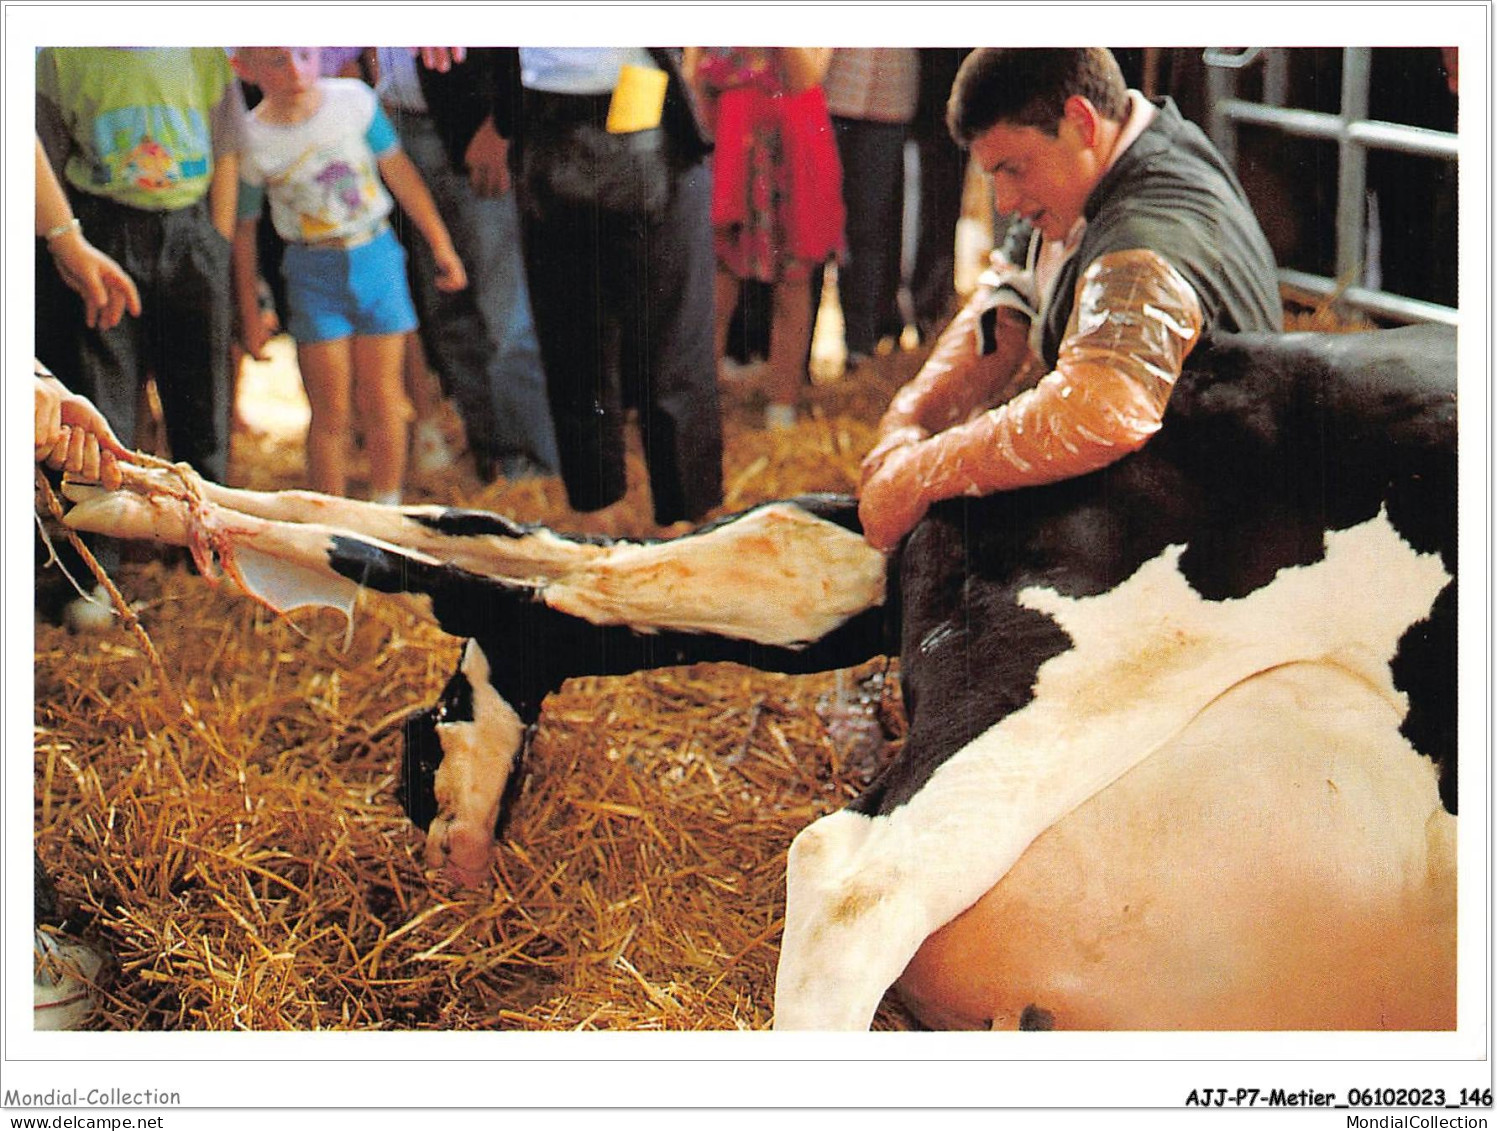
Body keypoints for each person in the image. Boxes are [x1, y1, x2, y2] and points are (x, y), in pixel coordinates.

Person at [857, 47, 1282, 552]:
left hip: (1215, 533)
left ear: (1081, 120)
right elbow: (1004, 306)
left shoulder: (1149, 228)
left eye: (1013, 169)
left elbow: (1100, 408)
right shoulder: (1088, 173)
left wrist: (919, 473)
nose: (1004, 202)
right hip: (1157, 498)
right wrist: (910, 421)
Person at [482, 47, 724, 528]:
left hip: (635, 91)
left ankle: (682, 527)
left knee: (666, 345)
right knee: (579, 344)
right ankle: (603, 525)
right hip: (555, 103)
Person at [230, 46, 467, 506]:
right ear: (246, 68)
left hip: (375, 255)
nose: (297, 71)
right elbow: (245, 231)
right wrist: (249, 309)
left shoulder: (354, 101)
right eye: (278, 61)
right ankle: (330, 522)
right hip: (312, 271)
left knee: (384, 398)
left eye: (304, 55)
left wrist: (441, 243)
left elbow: (398, 171)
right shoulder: (251, 138)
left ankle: (386, 507)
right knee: (330, 410)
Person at [35, 46, 242, 488]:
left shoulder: (201, 50)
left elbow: (227, 148)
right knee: (101, 400)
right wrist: (68, 240)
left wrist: (217, 243)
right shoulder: (59, 53)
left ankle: (205, 542)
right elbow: (44, 156)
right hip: (102, 232)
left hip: (191, 230)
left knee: (203, 401)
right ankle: (103, 547)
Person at [378, 46, 561, 483]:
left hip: (472, 124)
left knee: (504, 310)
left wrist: (502, 125)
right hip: (396, 125)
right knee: (447, 307)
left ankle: (534, 459)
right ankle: (492, 451)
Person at [691, 47, 844, 429]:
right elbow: (693, 83)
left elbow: (807, 77)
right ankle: (702, 405)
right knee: (716, 285)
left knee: (792, 283)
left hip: (790, 160)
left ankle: (782, 406)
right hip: (728, 156)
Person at [816, 48, 918, 372]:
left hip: (890, 97)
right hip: (826, 92)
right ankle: (796, 358)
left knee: (870, 231)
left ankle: (860, 346)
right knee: (813, 235)